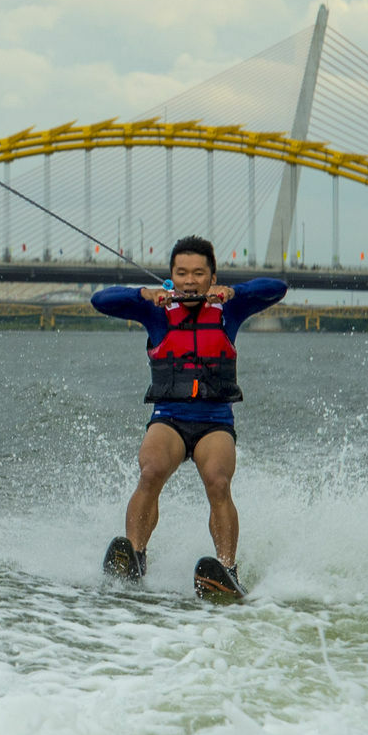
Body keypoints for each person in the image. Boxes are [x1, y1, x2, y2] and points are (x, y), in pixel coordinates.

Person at [90, 235, 287, 597]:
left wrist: (235, 293)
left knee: (218, 481)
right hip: (170, 417)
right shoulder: (155, 311)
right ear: (171, 278)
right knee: (150, 472)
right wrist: (141, 296)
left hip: (214, 420)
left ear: (212, 277)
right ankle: (135, 555)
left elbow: (277, 288)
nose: (190, 281)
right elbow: (99, 300)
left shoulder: (228, 310)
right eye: (182, 273)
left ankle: (227, 569)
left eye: (199, 273)